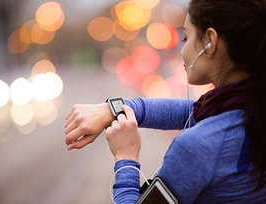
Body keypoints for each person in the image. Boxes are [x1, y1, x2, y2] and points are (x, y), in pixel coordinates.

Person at [64, 0, 266, 203]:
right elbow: (192, 112)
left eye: (185, 38)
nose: (182, 51)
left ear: (210, 41)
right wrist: (113, 109)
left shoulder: (196, 148)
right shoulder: (251, 108)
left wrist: (126, 157)